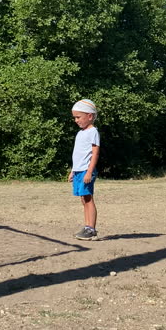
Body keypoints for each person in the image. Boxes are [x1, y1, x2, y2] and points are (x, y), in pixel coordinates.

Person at [68, 99, 100, 240]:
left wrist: (89, 171)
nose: (76, 120)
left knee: (88, 198)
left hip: (87, 171)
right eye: (74, 117)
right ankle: (87, 226)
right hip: (78, 171)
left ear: (90, 116)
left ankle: (91, 229)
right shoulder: (80, 133)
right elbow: (78, 154)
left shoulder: (93, 132)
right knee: (83, 198)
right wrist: (73, 171)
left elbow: (95, 153)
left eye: (78, 117)